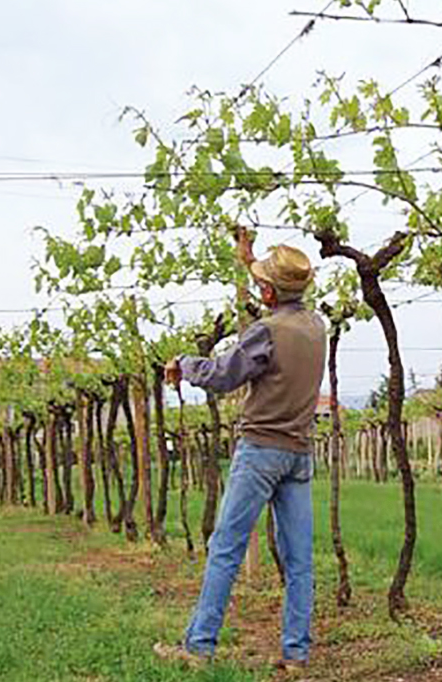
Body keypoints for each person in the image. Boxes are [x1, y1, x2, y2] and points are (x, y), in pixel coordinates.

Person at [154, 232, 326, 671]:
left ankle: (199, 646)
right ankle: (296, 654)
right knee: (299, 559)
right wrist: (249, 259)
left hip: (261, 452)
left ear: (268, 292)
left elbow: (222, 374)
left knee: (225, 548)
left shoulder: (265, 332)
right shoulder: (315, 327)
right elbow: (273, 290)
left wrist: (184, 364)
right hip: (299, 454)